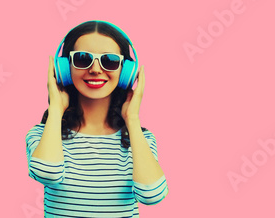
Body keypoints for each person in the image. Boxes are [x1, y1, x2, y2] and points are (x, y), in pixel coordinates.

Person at [25, 20, 168, 217]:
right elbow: (48, 172)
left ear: (126, 71)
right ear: (64, 68)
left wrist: (132, 119)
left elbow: (152, 195)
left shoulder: (141, 140)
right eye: (83, 59)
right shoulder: (43, 134)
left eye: (109, 61)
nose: (95, 69)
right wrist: (56, 108)